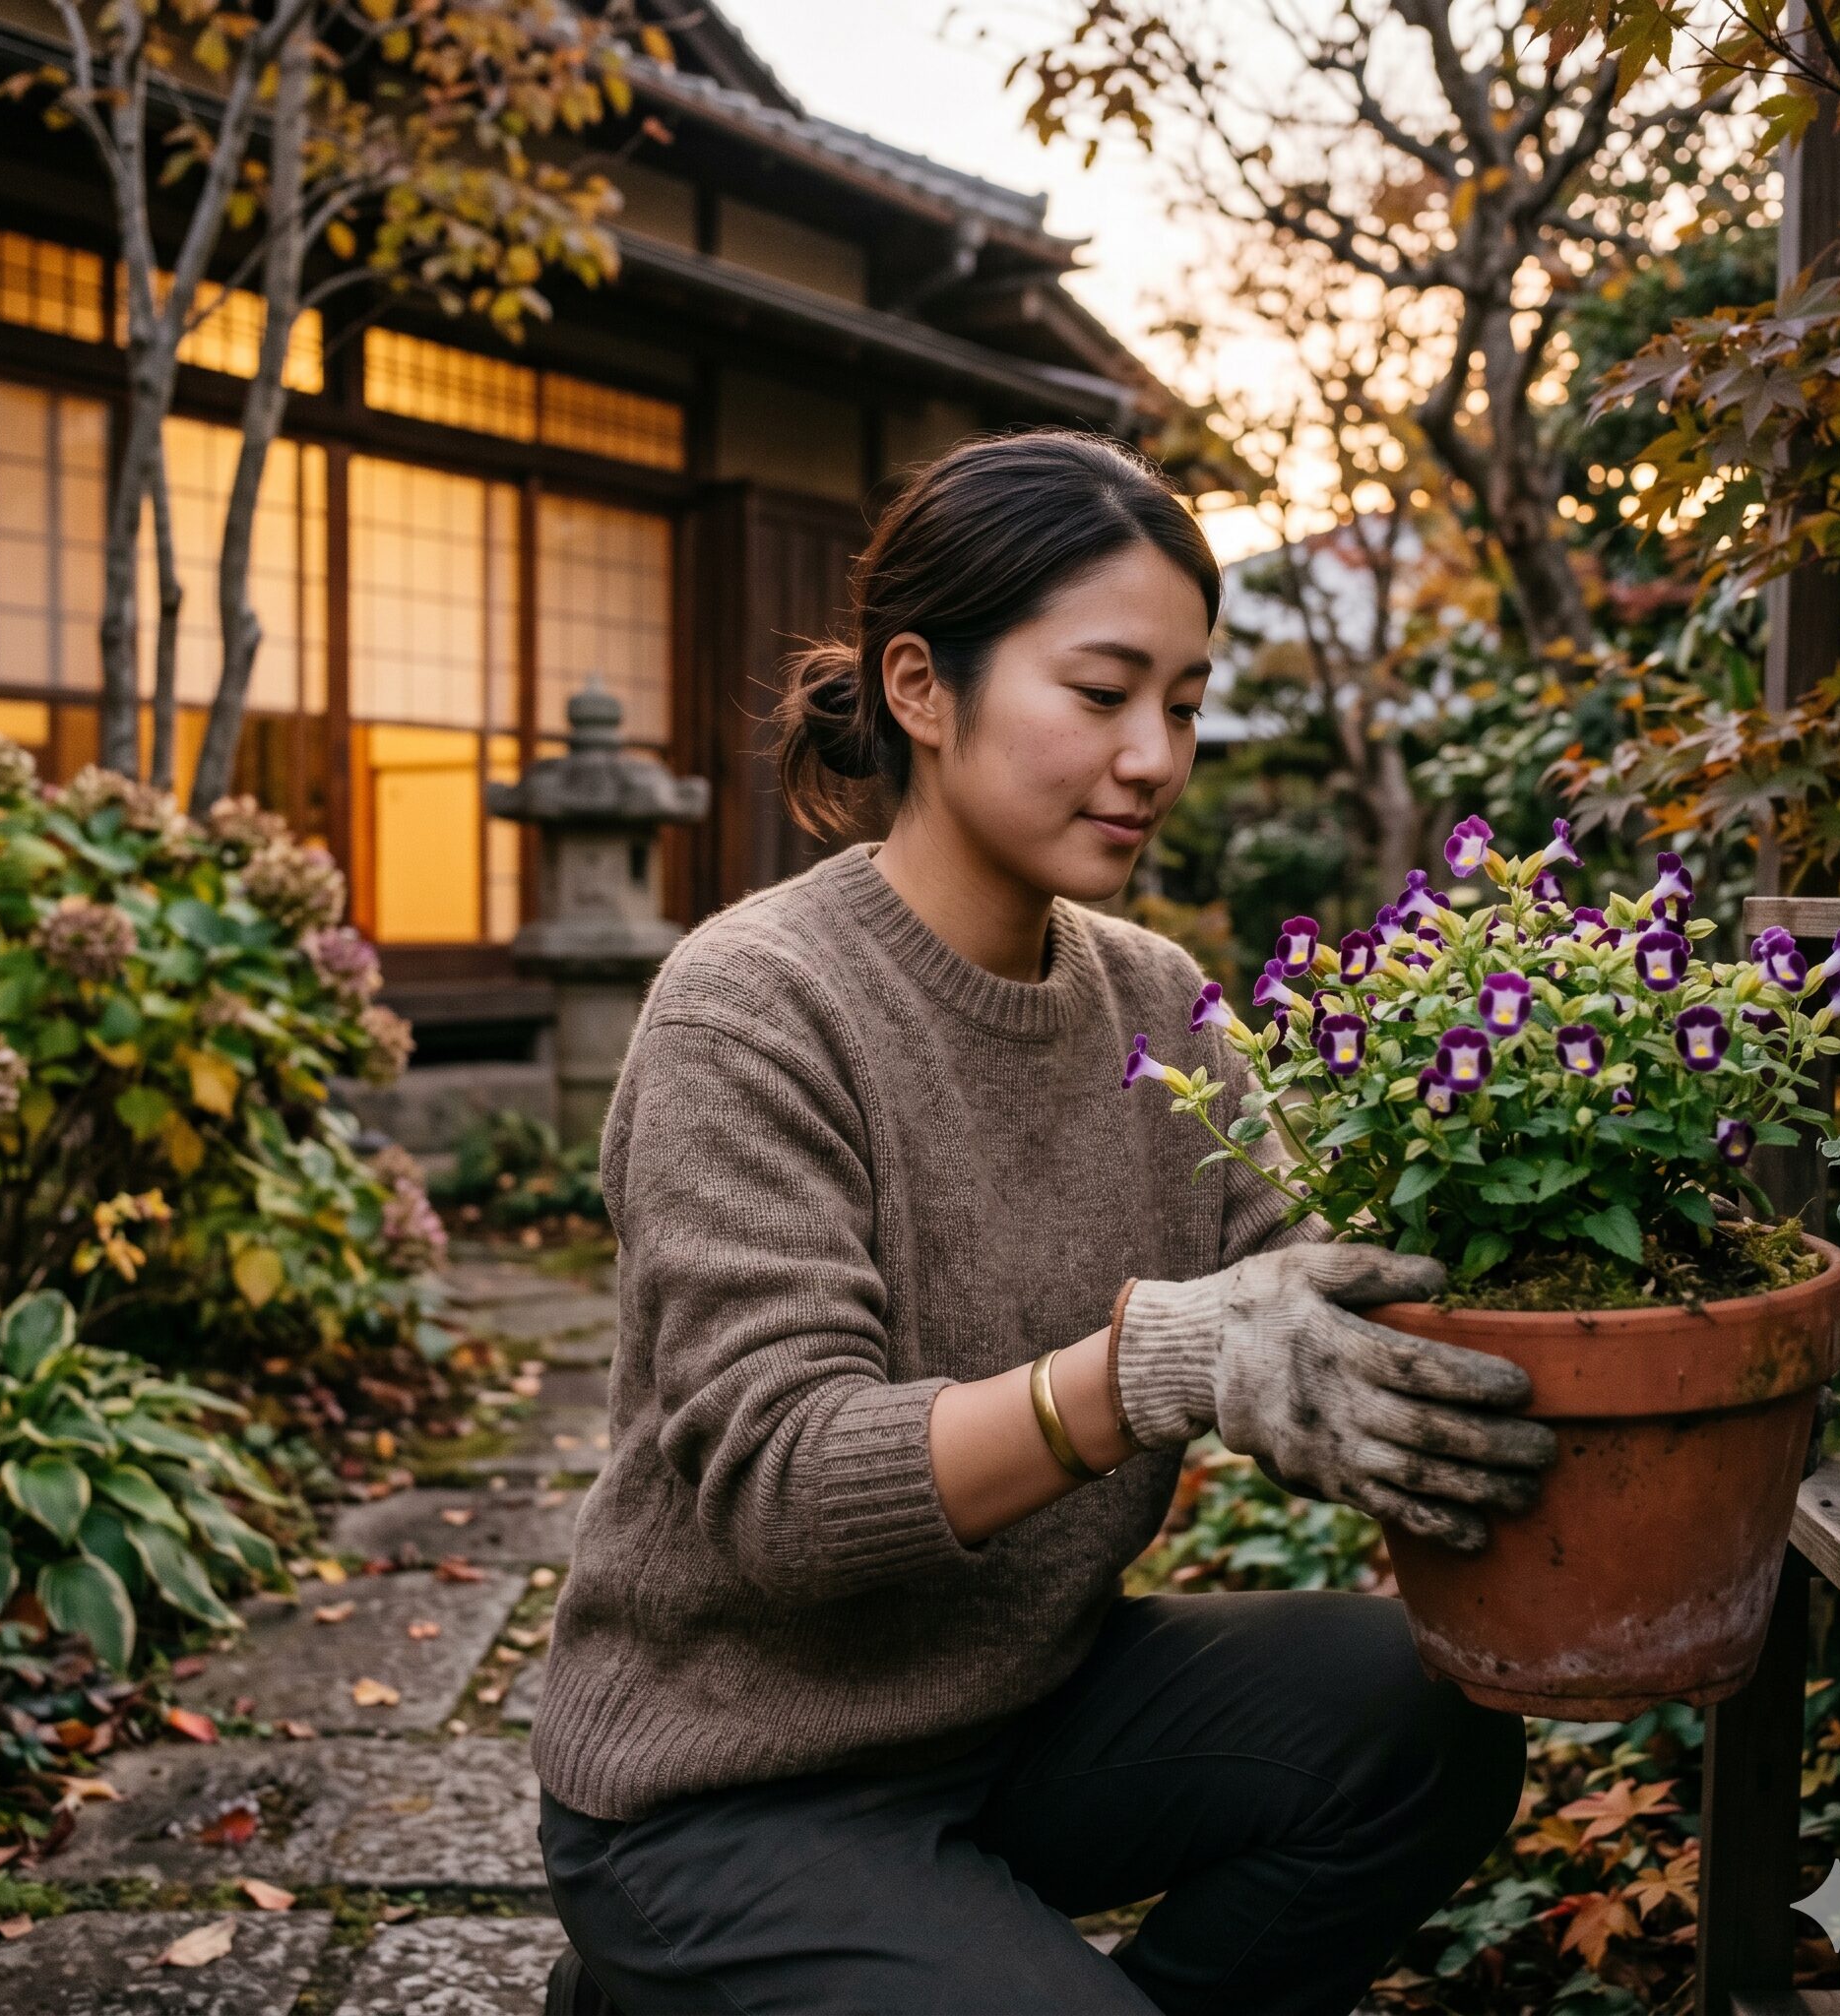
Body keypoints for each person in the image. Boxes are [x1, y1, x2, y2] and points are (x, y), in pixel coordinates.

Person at [532, 431, 1559, 2016]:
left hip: (1015, 1716)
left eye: (1188, 702)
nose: (1156, 754)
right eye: (1101, 693)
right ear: (922, 692)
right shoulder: (752, 1009)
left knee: (1414, 1728)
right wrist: (1144, 1370)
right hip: (724, 1784)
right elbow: (786, 1491)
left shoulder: (1159, 1003)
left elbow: (1334, 1287)